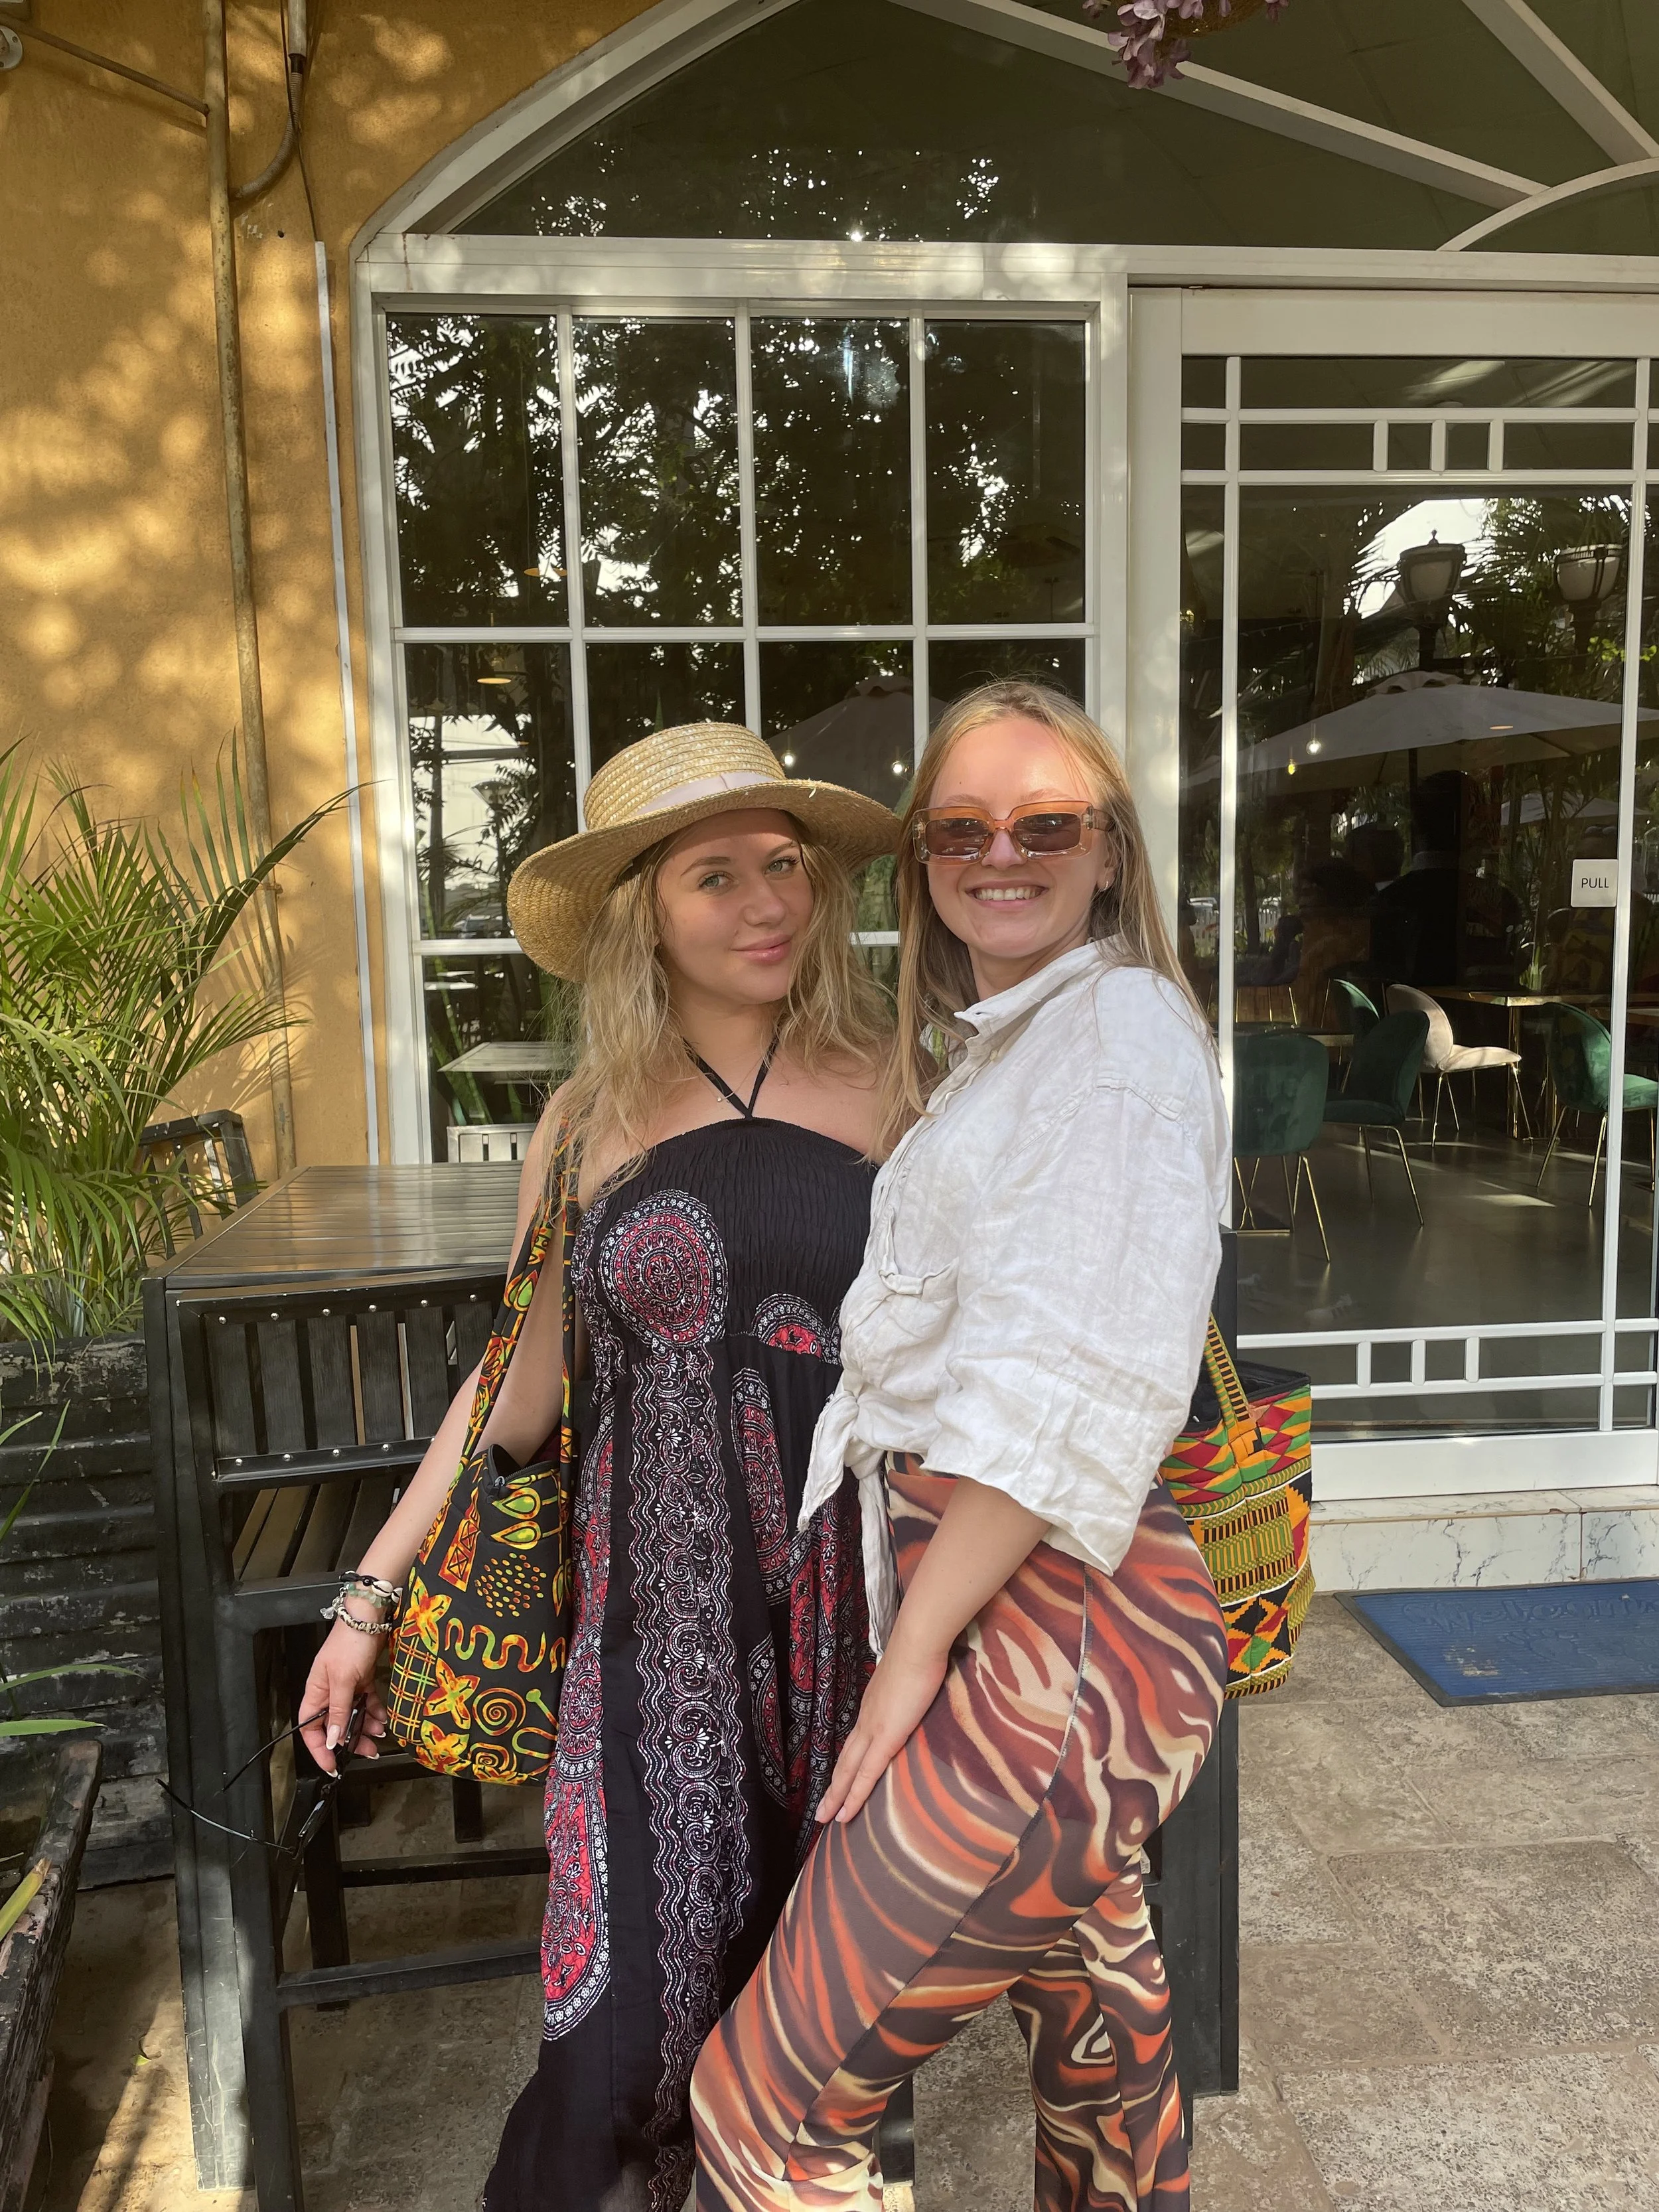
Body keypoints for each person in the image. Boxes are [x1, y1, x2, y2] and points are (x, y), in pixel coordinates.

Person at [298, 723, 899, 2212]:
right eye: (717, 876)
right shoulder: (584, 1124)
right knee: (607, 2050)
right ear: (644, 911)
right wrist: (371, 1587)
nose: (768, 904)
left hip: (858, 1636)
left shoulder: (904, 1085)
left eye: (784, 867)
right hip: (648, 1647)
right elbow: (513, 1388)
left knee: (803, 2072)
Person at [691, 680, 1231, 2212]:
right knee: (1094, 2024)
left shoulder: (1112, 1038)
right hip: (1039, 1607)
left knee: (766, 2103)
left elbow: (1056, 1384)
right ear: (924, 859)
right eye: (961, 829)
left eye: (1045, 824)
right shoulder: (1011, 1044)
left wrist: (916, 1649)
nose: (1002, 853)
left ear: (1110, 849)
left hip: (1042, 1628)